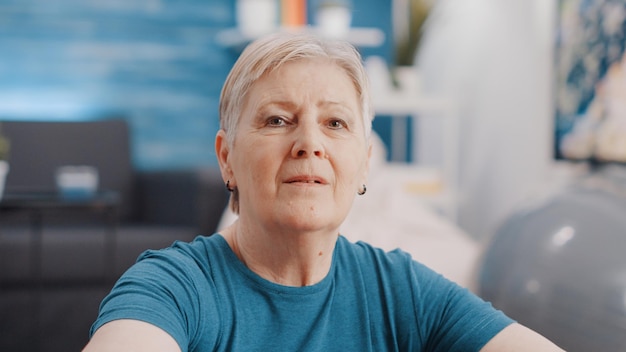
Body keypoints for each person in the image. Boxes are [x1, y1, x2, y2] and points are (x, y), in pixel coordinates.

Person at [84, 32, 563, 351]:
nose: (310, 144)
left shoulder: (401, 289)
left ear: (364, 164)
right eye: (277, 120)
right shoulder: (174, 286)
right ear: (226, 157)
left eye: (335, 123)